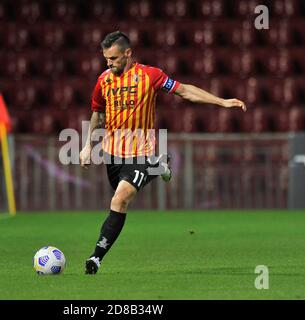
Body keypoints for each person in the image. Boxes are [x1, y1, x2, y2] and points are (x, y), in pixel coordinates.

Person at [79, 31, 246, 274]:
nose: (109, 63)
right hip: (112, 154)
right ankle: (159, 167)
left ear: (128, 53)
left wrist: (221, 102)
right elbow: (97, 112)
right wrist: (87, 145)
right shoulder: (103, 80)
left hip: (139, 151)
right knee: (119, 200)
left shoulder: (150, 75)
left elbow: (184, 90)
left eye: (113, 58)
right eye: (106, 59)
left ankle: (95, 258)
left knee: (120, 199)